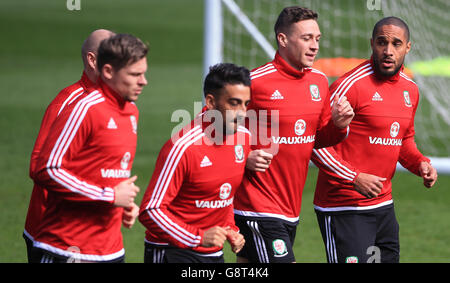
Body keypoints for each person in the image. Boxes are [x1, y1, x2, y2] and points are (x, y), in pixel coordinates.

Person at [232, 6, 355, 263]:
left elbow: (318, 139)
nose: (314, 46)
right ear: (283, 39)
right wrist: (245, 157)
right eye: (306, 38)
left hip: (289, 208)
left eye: (317, 39)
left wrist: (339, 126)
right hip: (256, 205)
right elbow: (212, 131)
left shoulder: (319, 82)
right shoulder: (255, 82)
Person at [311, 17, 438, 263]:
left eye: (396, 44)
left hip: (383, 207)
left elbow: (403, 140)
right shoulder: (349, 85)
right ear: (372, 44)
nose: (388, 51)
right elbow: (313, 143)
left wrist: (421, 163)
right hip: (343, 206)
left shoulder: (410, 90)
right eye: (382, 42)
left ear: (407, 47)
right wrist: (353, 177)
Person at [31, 33, 148, 263]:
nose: (143, 81)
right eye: (135, 75)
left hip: (111, 250)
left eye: (144, 73)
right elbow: (47, 169)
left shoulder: (132, 112)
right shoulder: (84, 109)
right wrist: (110, 196)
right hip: (67, 249)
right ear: (107, 72)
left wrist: (124, 205)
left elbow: (103, 171)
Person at [139, 63, 250, 263]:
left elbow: (222, 195)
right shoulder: (183, 147)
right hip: (170, 251)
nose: (242, 112)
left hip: (213, 252)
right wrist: (197, 237)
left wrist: (231, 229)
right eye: (234, 103)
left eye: (245, 104)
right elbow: (150, 211)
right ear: (211, 102)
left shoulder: (243, 139)